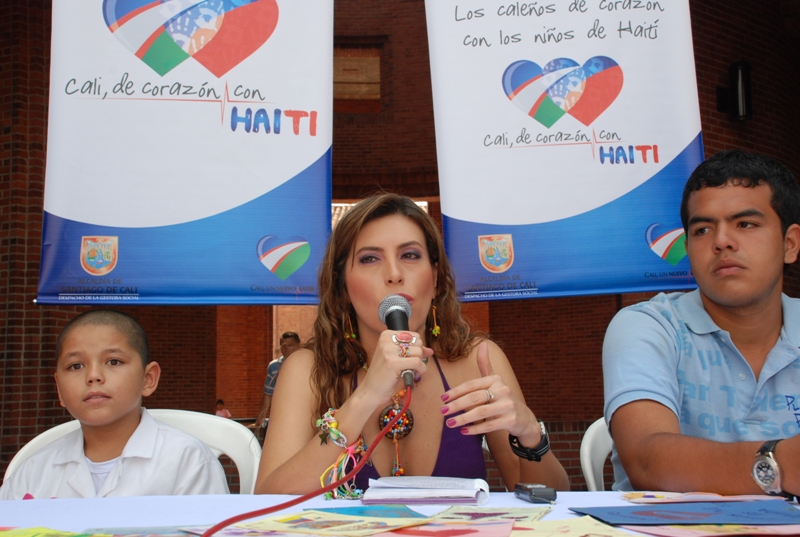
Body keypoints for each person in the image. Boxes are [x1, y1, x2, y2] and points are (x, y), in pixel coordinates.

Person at [255, 193, 569, 495]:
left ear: (436, 278)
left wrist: (531, 435)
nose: (394, 274)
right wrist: (364, 397)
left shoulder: (478, 360)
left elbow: (547, 497)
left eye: (410, 255)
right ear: (342, 287)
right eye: (369, 259)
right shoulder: (306, 369)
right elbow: (270, 497)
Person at [603, 149, 800, 497]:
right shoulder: (651, 325)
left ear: (789, 244)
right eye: (703, 229)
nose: (721, 241)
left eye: (745, 224)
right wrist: (779, 465)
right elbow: (647, 462)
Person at [0, 310, 229, 499]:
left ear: (148, 379)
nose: (93, 376)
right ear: (59, 389)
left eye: (113, 361)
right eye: (76, 366)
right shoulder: (33, 470)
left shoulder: (188, 460)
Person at [254, 331, 301, 428]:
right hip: (283, 415)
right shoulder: (274, 366)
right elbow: (268, 395)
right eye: (283, 346)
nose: (286, 349)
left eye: (290, 345)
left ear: (298, 345)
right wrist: (259, 422)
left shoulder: (308, 364)